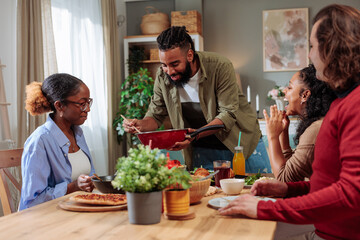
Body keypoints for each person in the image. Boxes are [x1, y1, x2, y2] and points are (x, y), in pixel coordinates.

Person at [218, 4, 360, 239]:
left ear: (330, 49)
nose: (309, 55)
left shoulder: (355, 105)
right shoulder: (341, 103)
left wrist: (267, 208)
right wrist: (287, 189)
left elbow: (351, 194)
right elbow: (330, 183)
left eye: (313, 46)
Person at [123, 26, 271, 172]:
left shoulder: (220, 66)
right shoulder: (162, 76)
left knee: (257, 191)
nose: (170, 71)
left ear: (190, 55)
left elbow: (228, 114)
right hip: (203, 149)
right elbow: (156, 115)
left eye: (175, 64)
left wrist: (193, 135)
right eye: (164, 65)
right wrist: (140, 125)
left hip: (240, 145)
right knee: (209, 194)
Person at [19, 73, 95, 210]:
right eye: (82, 104)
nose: (87, 109)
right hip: (49, 220)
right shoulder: (39, 141)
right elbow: (32, 202)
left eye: (88, 103)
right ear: (59, 106)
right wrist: (73, 187)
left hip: (78, 210)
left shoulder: (78, 133)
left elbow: (88, 177)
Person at [263, 64, 335, 182]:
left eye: (290, 88)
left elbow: (284, 179)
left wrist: (272, 136)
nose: (285, 91)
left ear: (305, 95)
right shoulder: (316, 124)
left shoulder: (315, 129)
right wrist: (283, 133)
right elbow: (293, 170)